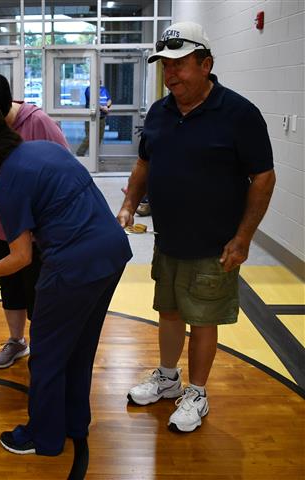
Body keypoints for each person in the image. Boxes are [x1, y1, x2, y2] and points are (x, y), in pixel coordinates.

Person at [118, 21, 275, 433]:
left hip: (216, 244)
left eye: (179, 64)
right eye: (164, 66)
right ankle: (168, 379)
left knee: (202, 319)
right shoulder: (160, 111)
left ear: (206, 64)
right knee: (169, 312)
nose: (170, 74)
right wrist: (129, 203)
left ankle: (198, 392)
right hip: (167, 239)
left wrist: (243, 239)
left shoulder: (239, 114)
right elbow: (144, 163)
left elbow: (263, 177)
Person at [0, 103, 132, 456]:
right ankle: (74, 422)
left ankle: (43, 437)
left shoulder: (6, 184)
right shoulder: (45, 149)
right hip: (112, 254)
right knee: (80, 347)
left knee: (47, 355)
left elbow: (21, 257)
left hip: (72, 266)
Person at [0, 73, 69, 369]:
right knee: (9, 285)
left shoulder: (38, 123)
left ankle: (44, 347)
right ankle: (17, 341)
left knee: (38, 289)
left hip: (36, 230)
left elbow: (64, 171)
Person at [76, 84, 112, 156]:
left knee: (99, 138)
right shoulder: (89, 89)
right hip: (91, 118)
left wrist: (107, 106)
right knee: (89, 137)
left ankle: (94, 157)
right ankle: (80, 153)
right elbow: (93, 102)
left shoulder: (104, 89)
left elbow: (109, 99)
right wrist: (103, 108)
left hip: (102, 117)